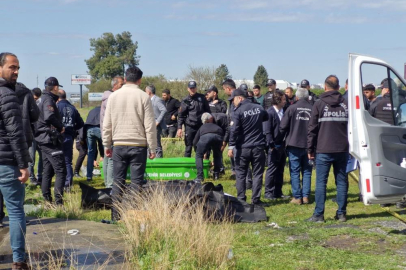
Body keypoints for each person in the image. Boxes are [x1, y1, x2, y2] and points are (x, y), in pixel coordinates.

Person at [103, 66, 157, 221]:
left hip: (119, 144)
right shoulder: (144, 97)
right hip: (138, 146)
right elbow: (149, 125)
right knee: (136, 183)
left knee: (117, 181)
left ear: (125, 79)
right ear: (139, 80)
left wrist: (107, 145)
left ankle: (116, 216)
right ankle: (133, 215)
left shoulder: (113, 96)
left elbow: (107, 124)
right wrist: (152, 147)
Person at [0, 52, 31, 269]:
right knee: (16, 211)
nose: (16, 72)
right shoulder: (7, 94)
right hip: (7, 162)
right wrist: (23, 164)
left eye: (18, 68)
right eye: (12, 67)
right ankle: (19, 261)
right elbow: (15, 132)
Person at [307, 75, 349, 223]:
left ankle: (319, 215)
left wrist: (309, 149)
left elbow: (312, 129)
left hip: (323, 149)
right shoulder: (346, 103)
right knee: (342, 181)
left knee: (321, 182)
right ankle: (342, 213)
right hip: (343, 149)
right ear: (339, 88)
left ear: (325, 87)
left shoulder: (319, 104)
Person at [228, 89, 268, 204]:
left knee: (240, 174)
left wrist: (231, 146)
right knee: (257, 174)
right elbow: (266, 117)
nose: (232, 103)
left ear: (240, 98)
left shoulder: (238, 111)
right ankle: (256, 199)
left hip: (243, 147)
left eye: (233, 100)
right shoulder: (259, 108)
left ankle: (241, 199)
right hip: (258, 146)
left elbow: (234, 130)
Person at [35, 76, 66, 205]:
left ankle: (47, 201)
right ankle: (59, 203)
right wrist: (60, 126)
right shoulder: (48, 99)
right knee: (61, 170)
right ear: (55, 88)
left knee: (47, 170)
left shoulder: (41, 98)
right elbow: (49, 116)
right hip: (49, 139)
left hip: (42, 138)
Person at [279, 88, 313, 205]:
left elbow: (282, 126)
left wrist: (279, 141)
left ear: (296, 97)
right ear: (308, 98)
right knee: (307, 171)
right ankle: (306, 197)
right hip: (309, 145)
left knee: (294, 171)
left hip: (294, 144)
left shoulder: (291, 108)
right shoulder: (312, 109)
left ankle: (297, 197)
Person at [264, 90, 289, 200]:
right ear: (278, 100)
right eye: (283, 99)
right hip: (274, 146)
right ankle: (268, 192)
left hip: (283, 145)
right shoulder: (270, 113)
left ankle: (278, 192)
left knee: (280, 169)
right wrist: (271, 146)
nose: (285, 102)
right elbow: (267, 131)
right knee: (272, 169)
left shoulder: (284, 111)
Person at [57, 89, 84, 190]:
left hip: (58, 136)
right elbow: (81, 123)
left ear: (58, 97)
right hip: (69, 136)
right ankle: (68, 184)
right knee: (68, 161)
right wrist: (72, 128)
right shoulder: (73, 108)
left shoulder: (57, 106)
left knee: (58, 160)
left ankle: (60, 182)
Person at [100, 76, 124, 187]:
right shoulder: (112, 98)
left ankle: (107, 181)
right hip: (111, 132)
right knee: (110, 159)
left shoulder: (106, 96)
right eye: (121, 85)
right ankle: (109, 184)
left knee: (106, 158)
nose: (122, 87)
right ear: (115, 85)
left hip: (105, 131)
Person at [177, 81, 211, 157]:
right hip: (189, 126)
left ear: (196, 88)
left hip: (200, 126)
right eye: (191, 88)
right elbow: (181, 115)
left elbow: (208, 112)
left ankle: (199, 165)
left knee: (199, 146)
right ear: (188, 89)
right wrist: (179, 128)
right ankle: (187, 166)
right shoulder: (185, 100)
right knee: (188, 147)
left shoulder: (202, 98)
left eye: (194, 88)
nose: (192, 89)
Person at [193, 113, 224, 182]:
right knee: (217, 155)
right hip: (218, 136)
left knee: (198, 156)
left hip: (206, 137)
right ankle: (216, 175)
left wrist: (196, 149)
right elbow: (222, 133)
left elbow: (195, 140)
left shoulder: (202, 127)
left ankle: (200, 176)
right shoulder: (216, 125)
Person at [222, 79, 238, 180]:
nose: (224, 91)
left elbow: (234, 118)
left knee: (237, 154)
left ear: (228, 88)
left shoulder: (236, 99)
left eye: (224, 89)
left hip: (237, 131)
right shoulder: (233, 99)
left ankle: (240, 177)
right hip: (234, 130)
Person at [146, 85, 167, 158]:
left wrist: (157, 121)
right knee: (149, 144)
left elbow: (164, 110)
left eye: (145, 91)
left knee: (156, 145)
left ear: (149, 92)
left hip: (156, 126)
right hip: (149, 125)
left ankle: (159, 162)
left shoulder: (157, 100)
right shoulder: (148, 100)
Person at [85, 106, 104, 181]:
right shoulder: (103, 110)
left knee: (90, 153)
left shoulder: (92, 110)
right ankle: (106, 175)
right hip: (100, 128)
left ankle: (89, 176)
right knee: (107, 151)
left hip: (89, 130)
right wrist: (102, 154)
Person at [29, 88, 43, 185]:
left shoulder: (41, 104)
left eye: (37, 99)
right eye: (34, 98)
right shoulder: (27, 105)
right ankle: (31, 177)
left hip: (40, 134)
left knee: (42, 156)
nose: (35, 100)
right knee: (31, 158)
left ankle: (40, 176)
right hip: (31, 135)